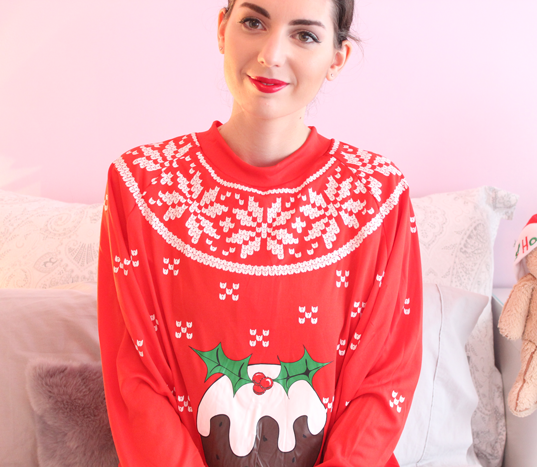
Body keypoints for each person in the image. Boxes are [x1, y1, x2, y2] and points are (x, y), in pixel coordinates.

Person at [97, 0, 423, 466]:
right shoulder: (139, 185)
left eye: (305, 35)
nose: (271, 54)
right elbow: (136, 377)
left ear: (337, 58)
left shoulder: (379, 195)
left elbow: (386, 378)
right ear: (222, 29)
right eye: (253, 22)